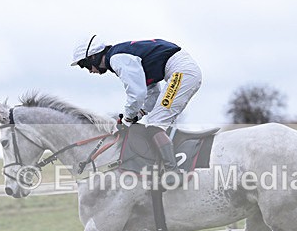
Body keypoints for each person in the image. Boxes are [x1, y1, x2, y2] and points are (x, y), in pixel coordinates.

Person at [71, 36, 202, 187]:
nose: (89, 71)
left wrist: (127, 118)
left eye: (85, 65)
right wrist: (138, 114)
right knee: (154, 121)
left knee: (155, 125)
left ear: (93, 57)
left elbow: (136, 94)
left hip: (181, 72)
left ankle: (173, 173)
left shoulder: (117, 59)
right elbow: (151, 93)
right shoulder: (121, 56)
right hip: (181, 71)